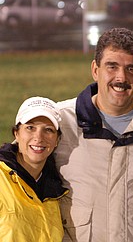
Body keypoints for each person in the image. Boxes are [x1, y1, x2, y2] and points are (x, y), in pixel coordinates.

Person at [54, 27, 133, 241]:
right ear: (95, 69)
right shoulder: (61, 122)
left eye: (131, 69)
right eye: (112, 66)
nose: (121, 77)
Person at [0, 96, 68, 241]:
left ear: (57, 140)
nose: (39, 137)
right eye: (30, 127)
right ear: (16, 134)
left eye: (48, 130)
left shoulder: (55, 192)